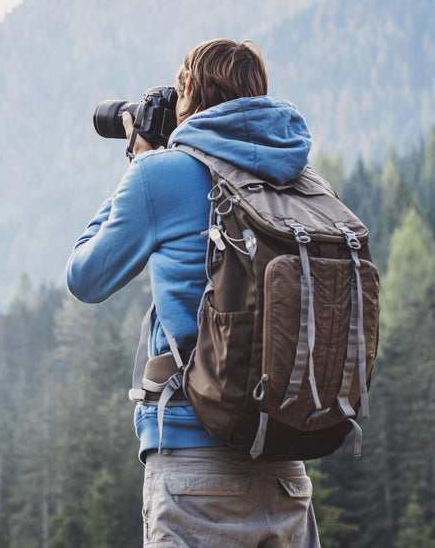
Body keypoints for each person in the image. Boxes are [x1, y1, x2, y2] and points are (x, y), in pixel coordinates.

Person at [65, 39, 320, 547]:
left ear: (186, 90)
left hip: (194, 462)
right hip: (287, 469)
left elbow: (85, 276)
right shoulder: (300, 178)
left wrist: (139, 161)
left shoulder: (163, 174)